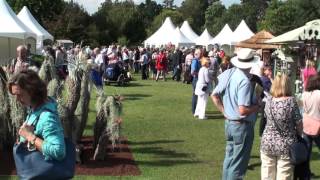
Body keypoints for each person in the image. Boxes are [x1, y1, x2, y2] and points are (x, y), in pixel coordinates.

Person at [211, 48, 261, 180]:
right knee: (238, 165)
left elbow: (214, 95)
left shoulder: (230, 73)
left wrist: (225, 112)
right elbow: (243, 110)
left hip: (230, 124)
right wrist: (257, 106)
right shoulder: (244, 80)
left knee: (229, 159)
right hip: (241, 125)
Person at [8, 70, 66, 161]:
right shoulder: (34, 110)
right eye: (15, 95)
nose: (17, 99)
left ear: (32, 91)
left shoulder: (47, 116)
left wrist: (29, 136)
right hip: (34, 172)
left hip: (45, 174)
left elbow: (58, 151)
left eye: (20, 95)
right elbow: (34, 146)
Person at [260, 73, 302, 180]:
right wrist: (299, 135)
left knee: (267, 176)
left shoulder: (268, 101)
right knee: (284, 176)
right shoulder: (291, 101)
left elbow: (265, 118)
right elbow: (299, 123)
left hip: (267, 142)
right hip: (286, 145)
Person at [301, 74, 320, 179]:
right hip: (317, 125)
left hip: (306, 125)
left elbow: (303, 108)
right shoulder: (319, 94)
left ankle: (305, 175)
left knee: (306, 154)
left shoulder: (304, 94)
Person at [191, 49, 202, 115]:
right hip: (196, 79)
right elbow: (193, 71)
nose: (201, 55)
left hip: (198, 79)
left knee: (197, 95)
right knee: (195, 95)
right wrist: (200, 73)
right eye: (200, 54)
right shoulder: (195, 61)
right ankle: (194, 110)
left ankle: (196, 110)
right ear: (196, 54)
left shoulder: (198, 60)